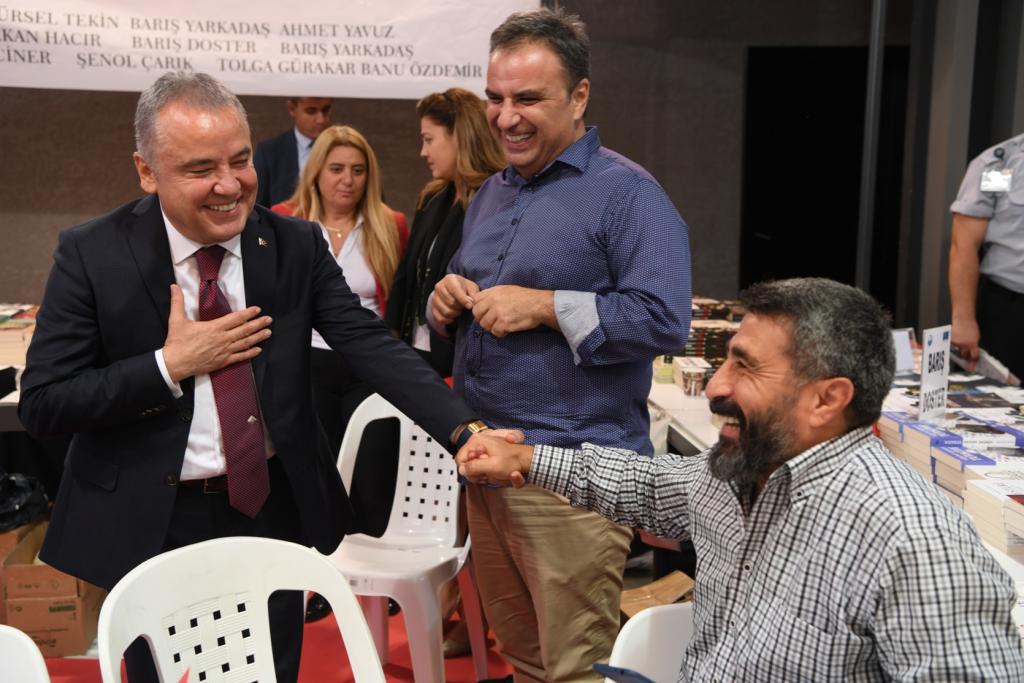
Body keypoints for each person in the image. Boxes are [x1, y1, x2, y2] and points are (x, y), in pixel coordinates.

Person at [18, 71, 483, 683]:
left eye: (240, 160)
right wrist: (168, 366)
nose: (229, 184)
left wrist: (464, 431)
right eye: (200, 168)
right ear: (146, 171)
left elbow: (370, 345)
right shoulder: (93, 253)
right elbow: (45, 402)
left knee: (271, 669)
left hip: (268, 507)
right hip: (154, 517)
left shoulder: (292, 245)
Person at [459, 277, 1024, 682]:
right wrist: (526, 458)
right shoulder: (738, 473)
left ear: (827, 399)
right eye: (726, 361)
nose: (715, 386)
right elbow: (648, 485)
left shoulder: (913, 540)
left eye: (745, 367)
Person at [431, 8, 691, 681]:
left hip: (574, 481)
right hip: (488, 466)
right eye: (495, 98)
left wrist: (547, 306)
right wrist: (445, 301)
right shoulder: (492, 193)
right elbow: (476, 296)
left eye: (527, 98)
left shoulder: (628, 194)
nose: (505, 116)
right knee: (523, 660)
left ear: (579, 97)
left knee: (577, 668)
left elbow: (665, 320)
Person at [385, 88, 506, 378]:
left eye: (429, 140)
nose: (423, 152)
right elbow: (406, 275)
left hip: (460, 359)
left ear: (459, 137)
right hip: (412, 352)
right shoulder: (432, 198)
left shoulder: (496, 201)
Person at [949, 132, 1024, 379]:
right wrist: (963, 320)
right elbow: (964, 244)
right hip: (1011, 311)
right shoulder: (1001, 166)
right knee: (1003, 396)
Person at [254, 96, 333, 208]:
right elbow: (258, 207)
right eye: (311, 111)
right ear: (291, 108)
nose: (321, 120)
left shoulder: (343, 150)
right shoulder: (269, 153)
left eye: (325, 110)